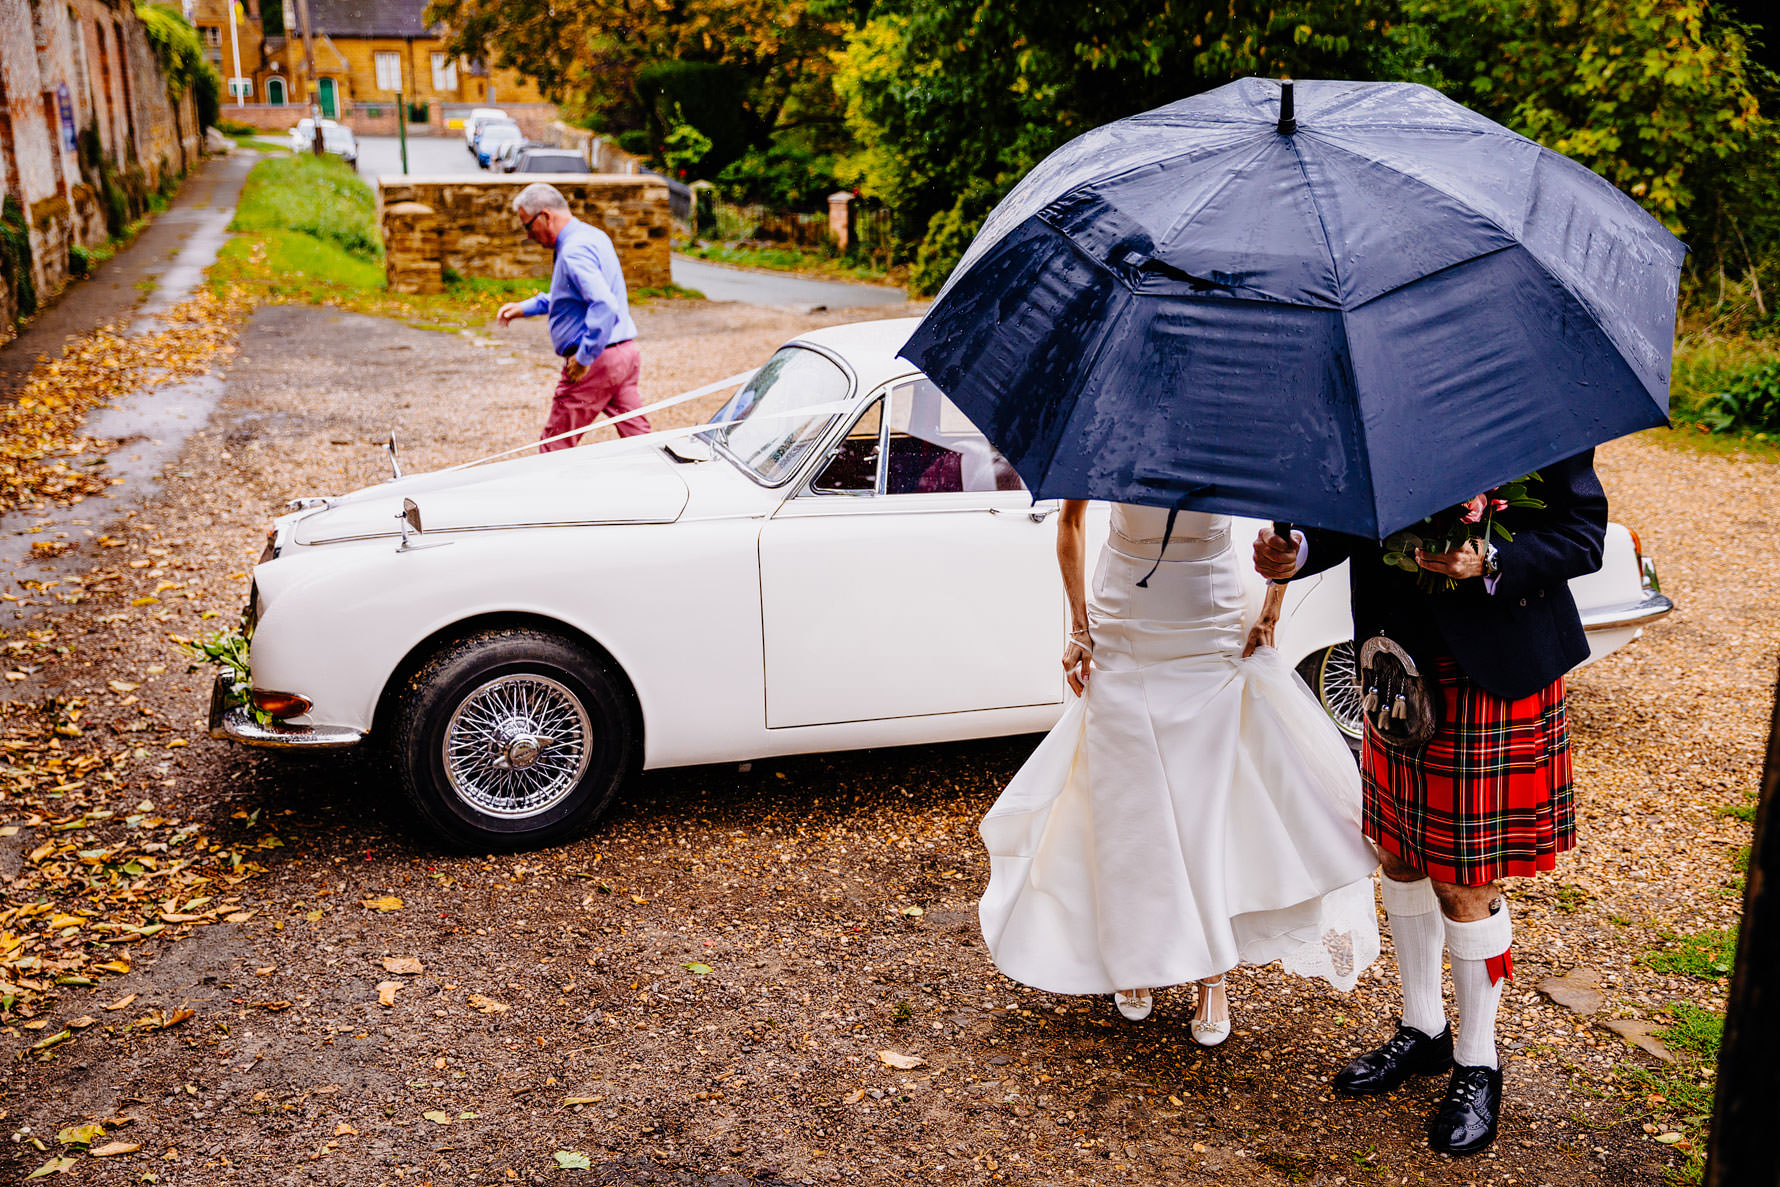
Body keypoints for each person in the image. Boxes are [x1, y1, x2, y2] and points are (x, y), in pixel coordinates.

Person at [1252, 450, 1607, 1156]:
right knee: (1399, 856)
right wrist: (1300, 550)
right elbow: (1356, 522)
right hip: (1398, 660)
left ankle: (1480, 1062)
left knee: (1465, 880)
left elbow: (1583, 534)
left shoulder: (1530, 399)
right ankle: (1424, 1030)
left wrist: (1491, 560)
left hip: (1493, 668)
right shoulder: (1376, 396)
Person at [978, 501, 1381, 1046]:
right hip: (1122, 615)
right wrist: (1078, 624)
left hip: (1208, 617)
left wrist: (1270, 613)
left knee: (1201, 804)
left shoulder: (1233, 424)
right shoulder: (1105, 420)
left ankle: (1212, 972)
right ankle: (1134, 953)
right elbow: (1070, 522)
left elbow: (1284, 519)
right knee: (1127, 800)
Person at [497, 183, 650, 451]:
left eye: (527, 226)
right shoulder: (592, 236)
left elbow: (603, 304)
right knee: (641, 439)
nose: (529, 236)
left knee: (555, 445)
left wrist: (584, 358)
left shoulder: (572, 251)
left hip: (596, 362)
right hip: (624, 353)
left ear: (545, 216)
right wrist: (527, 307)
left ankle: (549, 492)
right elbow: (573, 295)